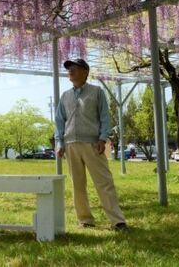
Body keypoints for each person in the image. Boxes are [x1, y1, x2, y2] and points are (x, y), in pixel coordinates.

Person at [55, 58, 128, 231]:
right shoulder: (65, 96)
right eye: (69, 68)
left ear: (85, 72)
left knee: (104, 182)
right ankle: (85, 219)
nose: (71, 70)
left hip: (94, 144)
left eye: (75, 68)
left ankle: (117, 221)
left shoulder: (96, 92)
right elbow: (59, 121)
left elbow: (104, 117)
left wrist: (103, 138)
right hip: (71, 144)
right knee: (77, 184)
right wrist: (60, 142)